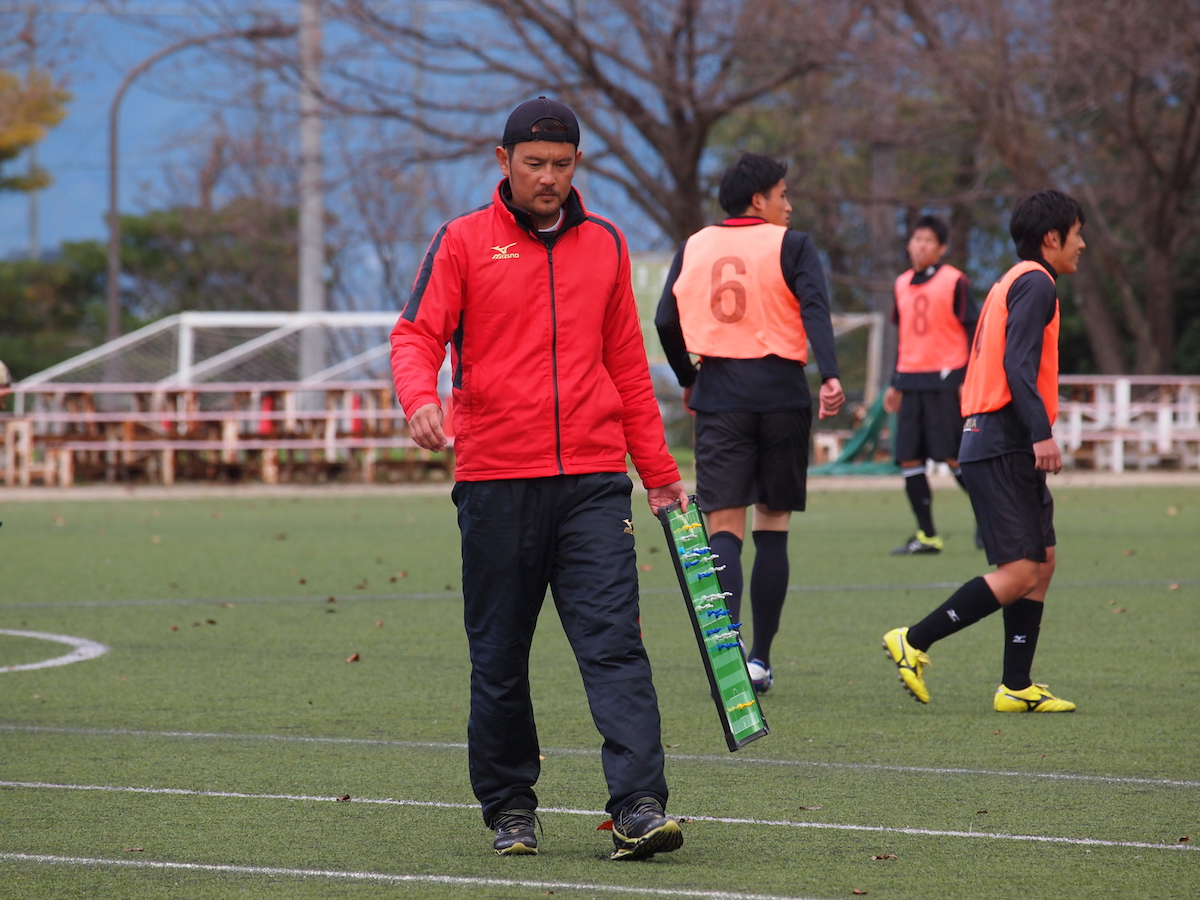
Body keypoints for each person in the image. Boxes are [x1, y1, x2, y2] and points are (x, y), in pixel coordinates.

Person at [390, 97, 688, 861]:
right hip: (495, 481)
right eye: (533, 165)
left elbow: (625, 363)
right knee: (498, 656)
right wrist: (420, 399)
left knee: (616, 646)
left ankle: (639, 806)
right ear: (503, 163)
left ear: (577, 165)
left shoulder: (608, 245)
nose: (548, 178)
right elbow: (416, 334)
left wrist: (658, 473)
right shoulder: (460, 242)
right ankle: (510, 809)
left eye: (560, 165)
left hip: (592, 481)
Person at [882, 189, 1085, 713]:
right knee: (1019, 570)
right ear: (1052, 238)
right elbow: (1018, 364)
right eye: (1077, 233)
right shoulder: (1036, 282)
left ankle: (1016, 686)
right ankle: (914, 639)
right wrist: (1041, 432)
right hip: (1001, 438)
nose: (1082, 244)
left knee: (1043, 562)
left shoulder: (1014, 280)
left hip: (999, 436)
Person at [655, 153, 845, 696]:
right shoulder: (794, 245)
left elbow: (666, 319)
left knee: (723, 529)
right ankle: (760, 659)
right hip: (782, 394)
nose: (789, 205)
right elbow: (815, 310)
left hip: (719, 395)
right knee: (774, 525)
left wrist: (688, 376)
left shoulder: (695, 244)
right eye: (783, 194)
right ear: (758, 199)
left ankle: (729, 653)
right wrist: (829, 374)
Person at [883, 215, 980, 555]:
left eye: (928, 240)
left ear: (941, 248)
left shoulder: (955, 281)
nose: (920, 245)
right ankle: (927, 535)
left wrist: (969, 378)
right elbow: (904, 337)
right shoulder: (901, 284)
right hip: (910, 381)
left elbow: (973, 331)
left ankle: (989, 519)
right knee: (909, 459)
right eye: (916, 239)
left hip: (946, 379)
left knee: (954, 457)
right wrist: (894, 382)